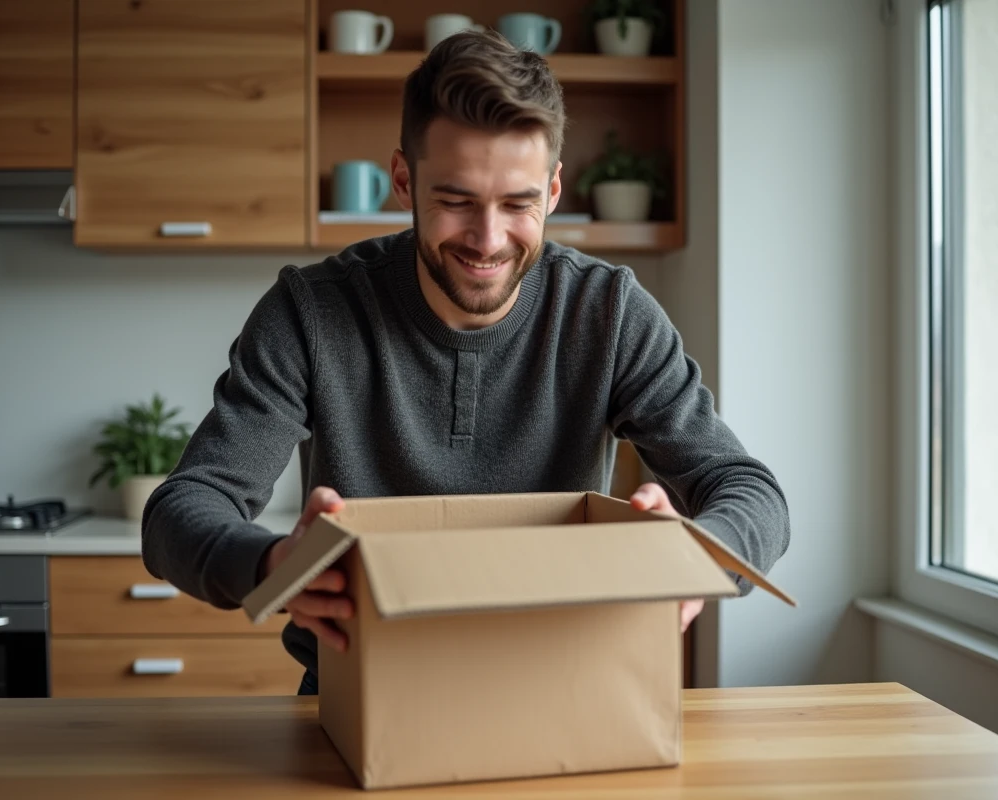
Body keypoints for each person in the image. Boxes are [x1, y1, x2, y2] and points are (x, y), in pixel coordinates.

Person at [141, 30, 790, 697]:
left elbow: (752, 494)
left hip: (567, 690)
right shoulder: (310, 312)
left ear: (555, 190)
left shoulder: (610, 313)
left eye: (518, 204)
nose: (488, 240)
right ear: (403, 180)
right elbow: (180, 511)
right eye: (455, 201)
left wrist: (692, 557)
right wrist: (278, 564)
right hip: (360, 692)